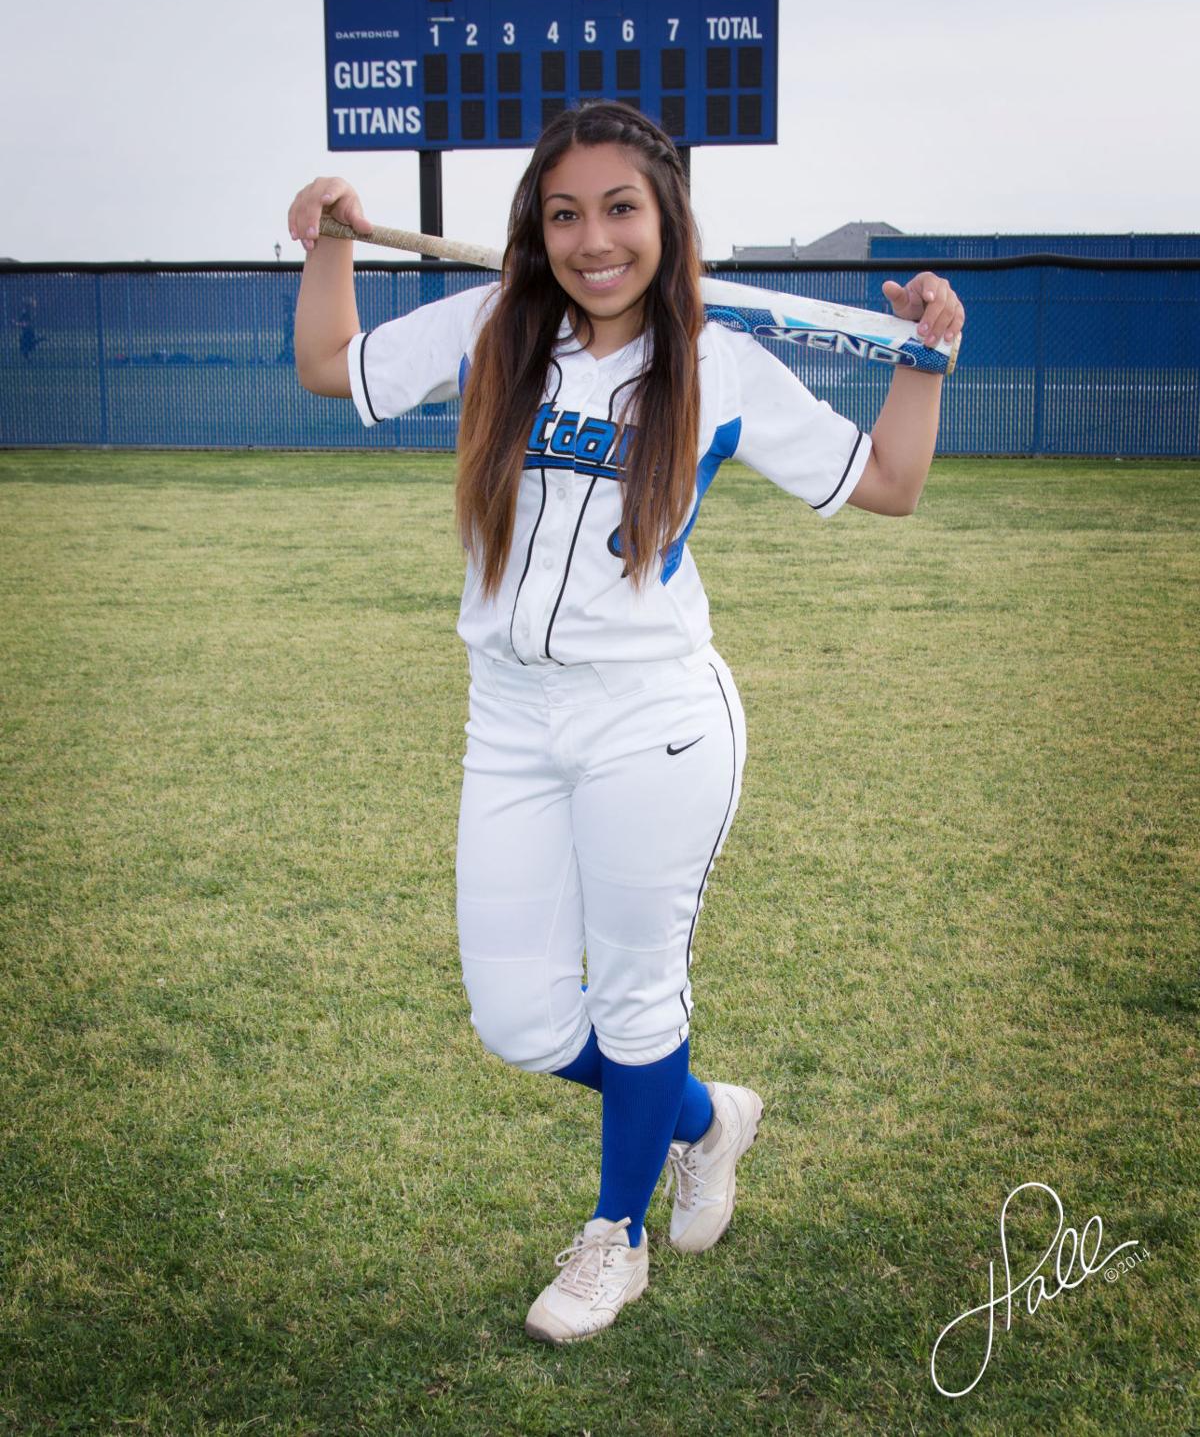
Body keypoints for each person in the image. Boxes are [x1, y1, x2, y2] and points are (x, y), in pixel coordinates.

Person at [287, 101, 964, 1346]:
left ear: (666, 222)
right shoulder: (500, 323)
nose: (592, 238)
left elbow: (891, 484)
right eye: (563, 213)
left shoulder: (723, 361)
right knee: (522, 1019)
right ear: (535, 230)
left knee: (638, 998)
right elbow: (334, 364)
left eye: (619, 209)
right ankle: (705, 1116)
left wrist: (924, 359)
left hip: (650, 719)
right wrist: (328, 240)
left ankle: (618, 1234)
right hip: (508, 711)